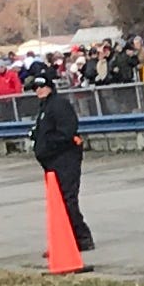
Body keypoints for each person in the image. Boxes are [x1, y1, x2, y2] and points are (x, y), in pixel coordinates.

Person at [26, 64, 94, 251]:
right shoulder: (44, 108)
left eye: (42, 86)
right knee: (58, 203)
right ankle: (65, 239)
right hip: (51, 162)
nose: (38, 90)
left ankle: (82, 237)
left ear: (50, 87)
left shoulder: (59, 105)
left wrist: (48, 144)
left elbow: (67, 132)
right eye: (36, 88)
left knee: (67, 200)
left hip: (65, 159)